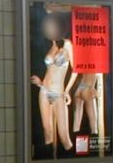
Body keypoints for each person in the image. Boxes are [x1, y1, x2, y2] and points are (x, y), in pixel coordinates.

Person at [30, 13, 78, 153]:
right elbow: (49, 69)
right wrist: (40, 82)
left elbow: (75, 71)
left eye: (52, 26)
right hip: (44, 91)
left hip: (58, 93)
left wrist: (67, 91)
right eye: (48, 27)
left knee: (64, 137)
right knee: (48, 131)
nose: (50, 29)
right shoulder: (51, 44)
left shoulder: (68, 45)